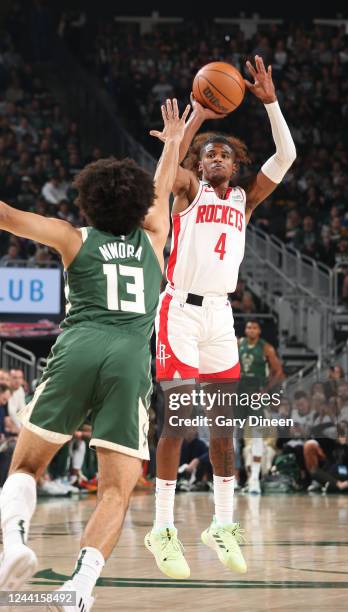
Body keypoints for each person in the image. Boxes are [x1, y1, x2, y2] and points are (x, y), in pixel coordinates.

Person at [0, 99, 189, 611]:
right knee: (114, 491)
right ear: (137, 204)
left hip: (79, 347)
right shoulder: (154, 237)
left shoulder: (72, 237)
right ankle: (79, 590)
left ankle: (14, 541)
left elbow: (8, 217)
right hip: (129, 359)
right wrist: (172, 143)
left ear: (88, 202)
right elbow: (161, 195)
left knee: (26, 466)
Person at [145, 56, 296, 578]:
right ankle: (163, 527)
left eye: (222, 154)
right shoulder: (187, 191)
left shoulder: (246, 201)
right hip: (179, 310)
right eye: (209, 153)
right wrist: (195, 122)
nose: (214, 157)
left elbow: (287, 154)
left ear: (235, 166)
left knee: (223, 426)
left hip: (219, 316)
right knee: (179, 419)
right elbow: (170, 166)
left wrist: (271, 103)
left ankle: (222, 522)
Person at [238, 320, 285, 494]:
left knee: (256, 434)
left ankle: (254, 478)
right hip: (239, 390)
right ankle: (232, 479)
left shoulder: (266, 348)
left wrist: (265, 390)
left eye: (254, 327)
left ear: (259, 331)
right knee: (232, 432)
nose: (251, 330)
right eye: (248, 327)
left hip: (256, 392)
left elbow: (279, 371)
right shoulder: (238, 343)